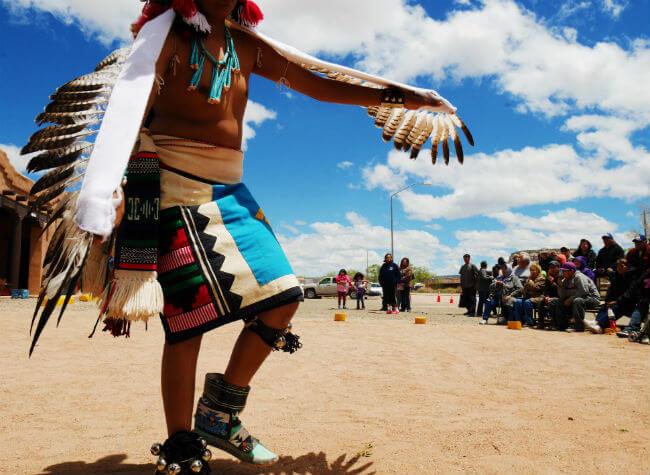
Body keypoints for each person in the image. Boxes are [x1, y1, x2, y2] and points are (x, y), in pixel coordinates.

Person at [25, 1, 457, 473]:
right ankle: (181, 445)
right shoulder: (167, 36)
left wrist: (401, 97)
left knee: (283, 295)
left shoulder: (246, 46)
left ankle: (219, 413)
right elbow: (128, 114)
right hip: (172, 185)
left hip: (232, 189)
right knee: (190, 322)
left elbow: (317, 84)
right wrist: (113, 191)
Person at [586, 259, 634, 334]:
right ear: (617, 267)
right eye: (620, 265)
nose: (623, 267)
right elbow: (611, 291)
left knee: (615, 307)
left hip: (629, 304)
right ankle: (596, 322)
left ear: (628, 267)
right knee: (605, 306)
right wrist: (608, 300)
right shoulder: (615, 277)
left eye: (625, 265)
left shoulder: (632, 278)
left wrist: (617, 301)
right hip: (617, 302)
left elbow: (630, 294)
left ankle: (600, 326)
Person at [551, 262, 600, 332]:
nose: (563, 272)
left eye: (565, 271)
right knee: (558, 301)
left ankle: (579, 327)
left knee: (577, 301)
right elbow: (562, 296)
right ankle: (561, 326)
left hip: (592, 298)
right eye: (563, 271)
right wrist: (560, 285)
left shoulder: (579, 277)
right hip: (578, 298)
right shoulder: (565, 280)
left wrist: (570, 299)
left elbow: (584, 292)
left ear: (572, 271)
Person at [537, 260, 562, 330]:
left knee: (552, 302)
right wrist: (547, 296)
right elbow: (546, 290)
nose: (552, 269)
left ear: (558, 268)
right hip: (551, 296)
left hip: (561, 296)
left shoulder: (562, 276)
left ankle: (554, 323)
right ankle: (541, 322)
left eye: (554, 267)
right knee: (540, 300)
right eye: (550, 267)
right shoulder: (549, 277)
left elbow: (563, 290)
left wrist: (553, 283)